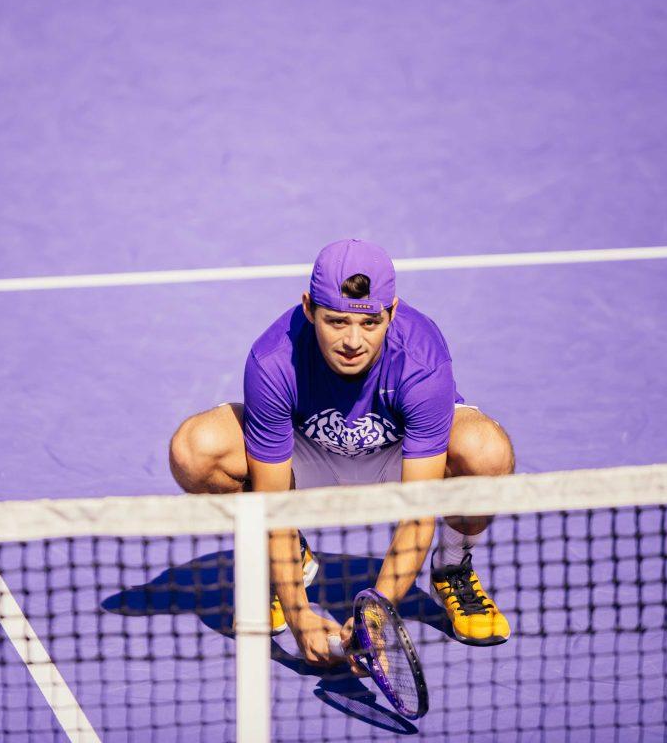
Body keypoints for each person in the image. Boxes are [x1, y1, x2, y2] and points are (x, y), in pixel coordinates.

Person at [169, 239, 515, 667]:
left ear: (392, 311)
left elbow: (419, 513)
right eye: (335, 321)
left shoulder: (421, 359)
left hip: (396, 454)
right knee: (195, 450)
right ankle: (290, 561)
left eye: (370, 323)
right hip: (307, 454)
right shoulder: (274, 360)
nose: (353, 341)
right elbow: (269, 503)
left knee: (487, 452)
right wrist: (300, 618)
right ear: (309, 308)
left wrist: (377, 614)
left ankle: (452, 567)